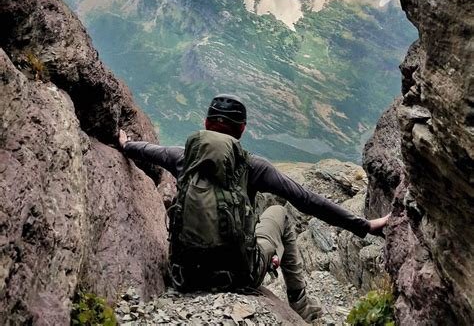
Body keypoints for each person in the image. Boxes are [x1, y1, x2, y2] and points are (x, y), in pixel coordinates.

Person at [118, 94, 389, 323]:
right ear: (242, 130)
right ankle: (299, 301)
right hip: (237, 276)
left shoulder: (182, 158)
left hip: (185, 274)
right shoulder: (254, 166)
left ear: (206, 124)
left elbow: (144, 150)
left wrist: (125, 144)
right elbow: (307, 200)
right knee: (279, 214)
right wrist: (365, 225)